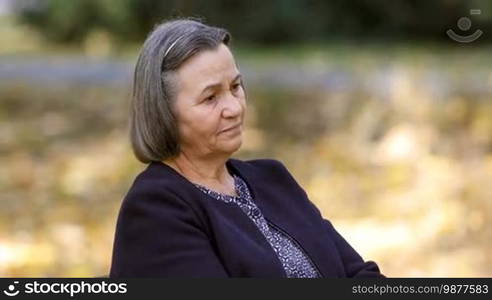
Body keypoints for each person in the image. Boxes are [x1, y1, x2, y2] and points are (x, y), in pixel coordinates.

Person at [109, 18, 385, 278]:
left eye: (235, 86)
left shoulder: (273, 179)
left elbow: (357, 274)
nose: (234, 107)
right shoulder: (156, 208)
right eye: (210, 98)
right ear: (164, 113)